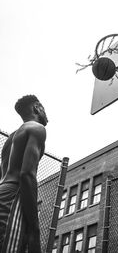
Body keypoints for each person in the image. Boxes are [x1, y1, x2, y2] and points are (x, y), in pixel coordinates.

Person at [0, 95, 48, 253]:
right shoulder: (37, 128)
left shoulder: (10, 139)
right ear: (37, 107)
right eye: (43, 109)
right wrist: (34, 228)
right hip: (13, 196)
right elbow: (26, 174)